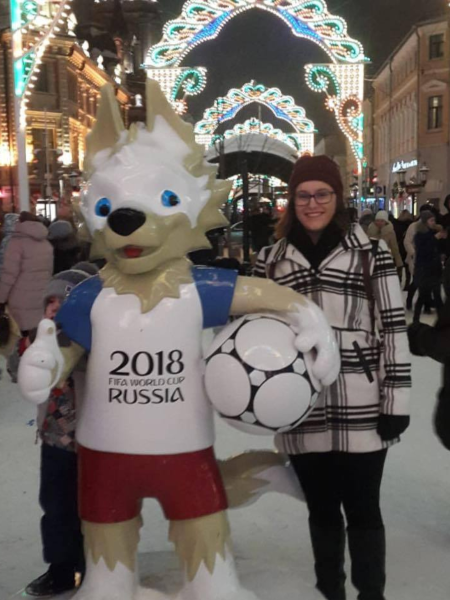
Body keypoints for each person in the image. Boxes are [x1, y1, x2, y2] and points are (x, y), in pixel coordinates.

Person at [254, 154, 411, 600]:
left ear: (337, 198)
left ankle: (370, 594)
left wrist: (395, 403)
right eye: (303, 195)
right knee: (322, 511)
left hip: (361, 402)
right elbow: (258, 334)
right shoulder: (272, 261)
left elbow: (393, 330)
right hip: (300, 405)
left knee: (363, 510)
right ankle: (331, 592)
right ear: (292, 201)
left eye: (322, 193)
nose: (312, 203)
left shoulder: (371, 254)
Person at [11, 263, 98, 597]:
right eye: (50, 301)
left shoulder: (96, 341)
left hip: (95, 439)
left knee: (94, 506)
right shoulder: (40, 336)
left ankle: (100, 564)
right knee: (57, 504)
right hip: (55, 440)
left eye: (63, 301)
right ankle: (61, 568)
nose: (54, 308)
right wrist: (30, 346)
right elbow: (19, 373)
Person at [0, 211, 53, 335]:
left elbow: (8, 275)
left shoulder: (16, 243)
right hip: (40, 297)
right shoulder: (46, 244)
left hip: (19, 300)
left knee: (18, 336)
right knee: (34, 335)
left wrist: (1, 298)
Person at [413, 210, 445, 323]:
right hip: (424, 270)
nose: (433, 222)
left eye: (434, 220)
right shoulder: (420, 235)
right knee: (423, 296)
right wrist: (435, 239)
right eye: (431, 220)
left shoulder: (433, 232)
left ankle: (442, 321)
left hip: (435, 269)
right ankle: (416, 320)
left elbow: (436, 249)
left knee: (437, 295)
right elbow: (423, 251)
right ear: (425, 221)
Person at [367, 211, 403, 277]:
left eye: (382, 221)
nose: (379, 223)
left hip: (385, 259)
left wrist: (399, 263)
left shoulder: (390, 232)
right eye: (377, 220)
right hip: (372, 259)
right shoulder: (370, 230)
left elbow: (395, 248)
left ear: (385, 222)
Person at [394, 210, 413, 290]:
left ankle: (399, 281)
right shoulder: (410, 225)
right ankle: (407, 283)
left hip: (399, 247)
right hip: (407, 247)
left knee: (399, 265)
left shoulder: (396, 224)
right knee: (407, 266)